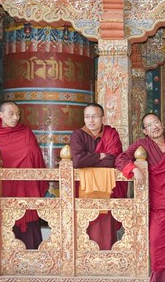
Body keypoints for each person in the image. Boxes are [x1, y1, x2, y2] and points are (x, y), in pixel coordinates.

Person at [115, 113, 165, 282]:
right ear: (145, 131)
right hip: (158, 204)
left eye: (156, 122)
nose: (155, 126)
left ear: (162, 124)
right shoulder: (142, 145)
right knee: (158, 243)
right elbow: (120, 158)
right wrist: (133, 169)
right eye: (149, 125)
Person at [0, 101, 47, 250]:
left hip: (26, 186)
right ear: (0, 115)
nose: (15, 118)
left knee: (28, 218)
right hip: (4, 187)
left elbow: (36, 156)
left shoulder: (25, 132)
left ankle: (31, 255)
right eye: (11, 114)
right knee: (4, 219)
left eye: (18, 114)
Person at [70, 103, 127, 250]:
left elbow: (112, 160)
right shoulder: (78, 134)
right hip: (83, 189)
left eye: (95, 116)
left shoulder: (111, 134)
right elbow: (77, 161)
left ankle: (106, 256)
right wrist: (100, 156)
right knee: (85, 223)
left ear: (102, 117)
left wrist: (88, 161)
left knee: (105, 227)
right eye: (87, 117)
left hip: (106, 188)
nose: (91, 120)